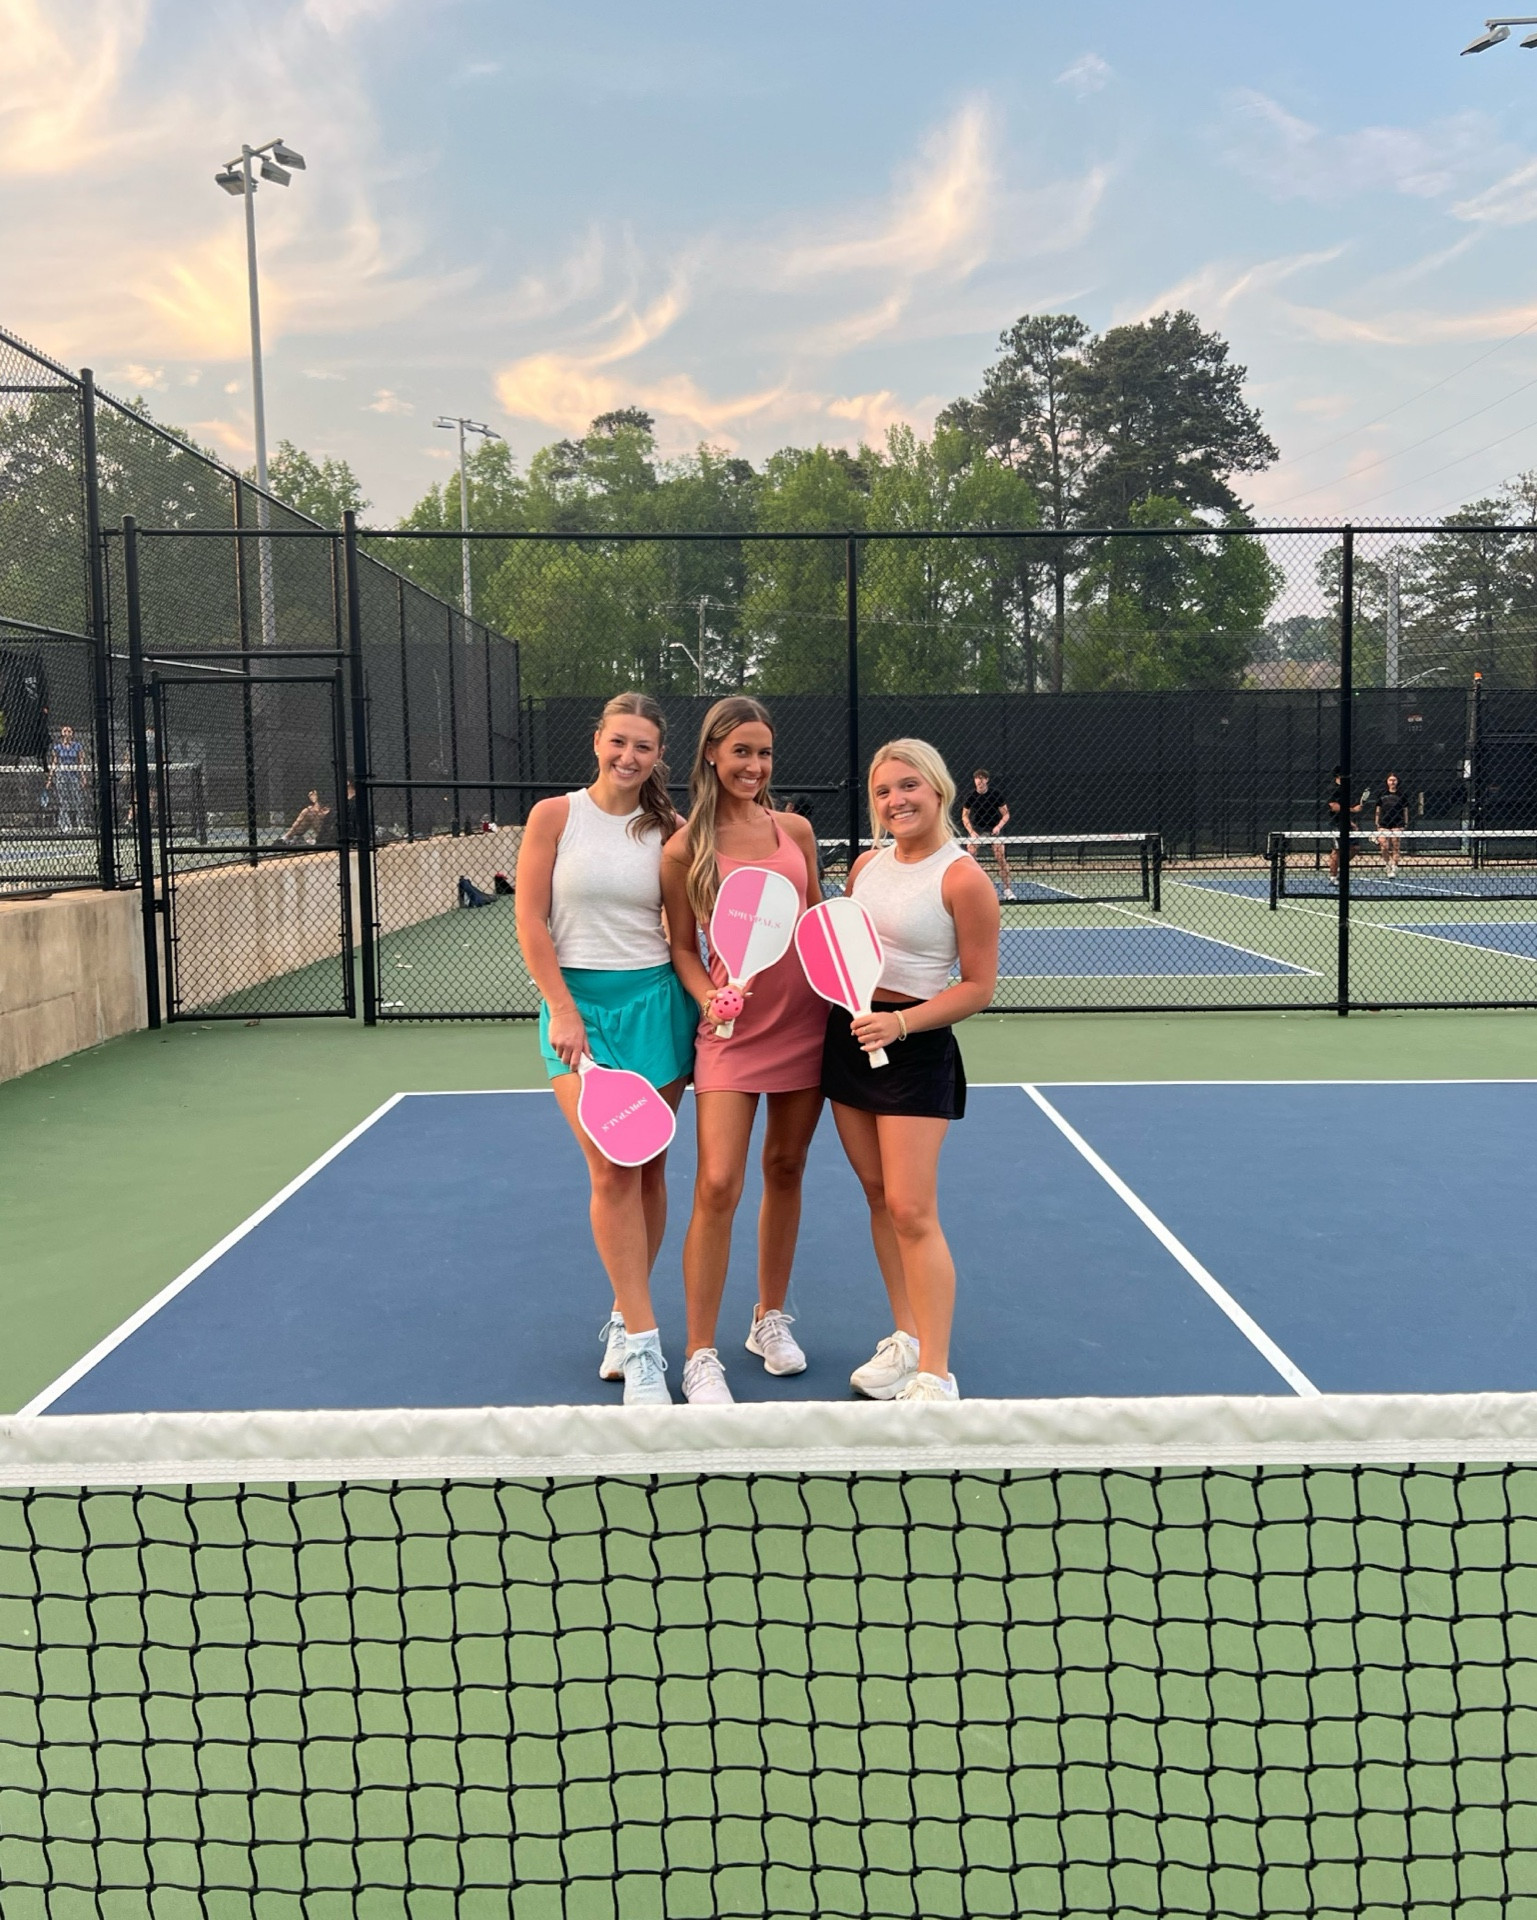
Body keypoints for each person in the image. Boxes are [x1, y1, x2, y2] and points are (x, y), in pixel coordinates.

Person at [515, 692, 696, 1405]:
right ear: (597, 741)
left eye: (642, 746)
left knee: (649, 1173)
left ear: (658, 756)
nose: (628, 756)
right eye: (618, 741)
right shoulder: (554, 817)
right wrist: (561, 1006)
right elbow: (531, 919)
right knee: (609, 1172)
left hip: (657, 1006)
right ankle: (648, 1351)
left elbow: (683, 934)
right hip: (577, 1014)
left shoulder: (670, 830)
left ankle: (627, 1315)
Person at [661, 697, 827, 1405]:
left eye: (763, 754)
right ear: (710, 756)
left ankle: (768, 1318)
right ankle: (700, 1353)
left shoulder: (795, 830)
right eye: (740, 754)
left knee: (785, 1167)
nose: (754, 767)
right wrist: (707, 995)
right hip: (730, 1035)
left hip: (806, 1024)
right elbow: (678, 945)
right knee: (718, 1183)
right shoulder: (683, 847)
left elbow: (818, 917)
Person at [824, 740, 999, 1403]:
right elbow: (841, 947)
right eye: (882, 791)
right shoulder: (865, 865)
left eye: (907, 786)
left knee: (911, 1208)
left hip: (913, 1049)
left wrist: (900, 1023)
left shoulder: (961, 879)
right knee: (877, 1197)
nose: (895, 800)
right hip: (846, 1039)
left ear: (937, 790)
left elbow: (977, 986)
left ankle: (936, 1372)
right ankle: (905, 1341)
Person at [961, 769, 1013, 900]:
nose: (980, 781)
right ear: (974, 781)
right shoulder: (970, 796)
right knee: (970, 856)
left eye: (982, 778)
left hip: (993, 830)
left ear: (987, 780)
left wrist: (998, 827)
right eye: (977, 778)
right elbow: (964, 816)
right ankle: (974, 889)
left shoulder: (995, 794)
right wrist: (971, 832)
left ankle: (1007, 890)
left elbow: (1006, 814)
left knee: (1000, 857)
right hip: (977, 830)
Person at [45, 725, 89, 837]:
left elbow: (81, 762)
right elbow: (55, 762)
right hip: (62, 776)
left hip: (74, 776)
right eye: (65, 731)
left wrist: (83, 776)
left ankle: (80, 824)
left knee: (78, 799)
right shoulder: (57, 748)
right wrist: (50, 778)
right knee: (63, 801)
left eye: (69, 731)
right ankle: (65, 825)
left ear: (72, 733)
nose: (67, 733)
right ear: (62, 733)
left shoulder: (78, 746)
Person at [1326, 768, 1362, 881]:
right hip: (1335, 824)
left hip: (1346, 823)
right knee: (1337, 850)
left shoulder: (1345, 789)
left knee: (1355, 848)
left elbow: (1344, 810)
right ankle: (1333, 876)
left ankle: (1340, 866)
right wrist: (1353, 810)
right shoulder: (1332, 788)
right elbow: (1334, 806)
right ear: (1338, 775)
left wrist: (1351, 823)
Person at [1375, 771, 1409, 877]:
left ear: (1397, 781)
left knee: (1396, 844)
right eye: (1390, 780)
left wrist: (1405, 822)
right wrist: (1376, 821)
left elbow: (1405, 810)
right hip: (1384, 822)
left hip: (1398, 822)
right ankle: (1387, 864)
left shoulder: (1402, 795)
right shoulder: (1382, 794)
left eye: (1394, 780)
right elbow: (1378, 808)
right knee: (1384, 845)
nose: (1392, 782)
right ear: (1387, 781)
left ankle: (1394, 866)